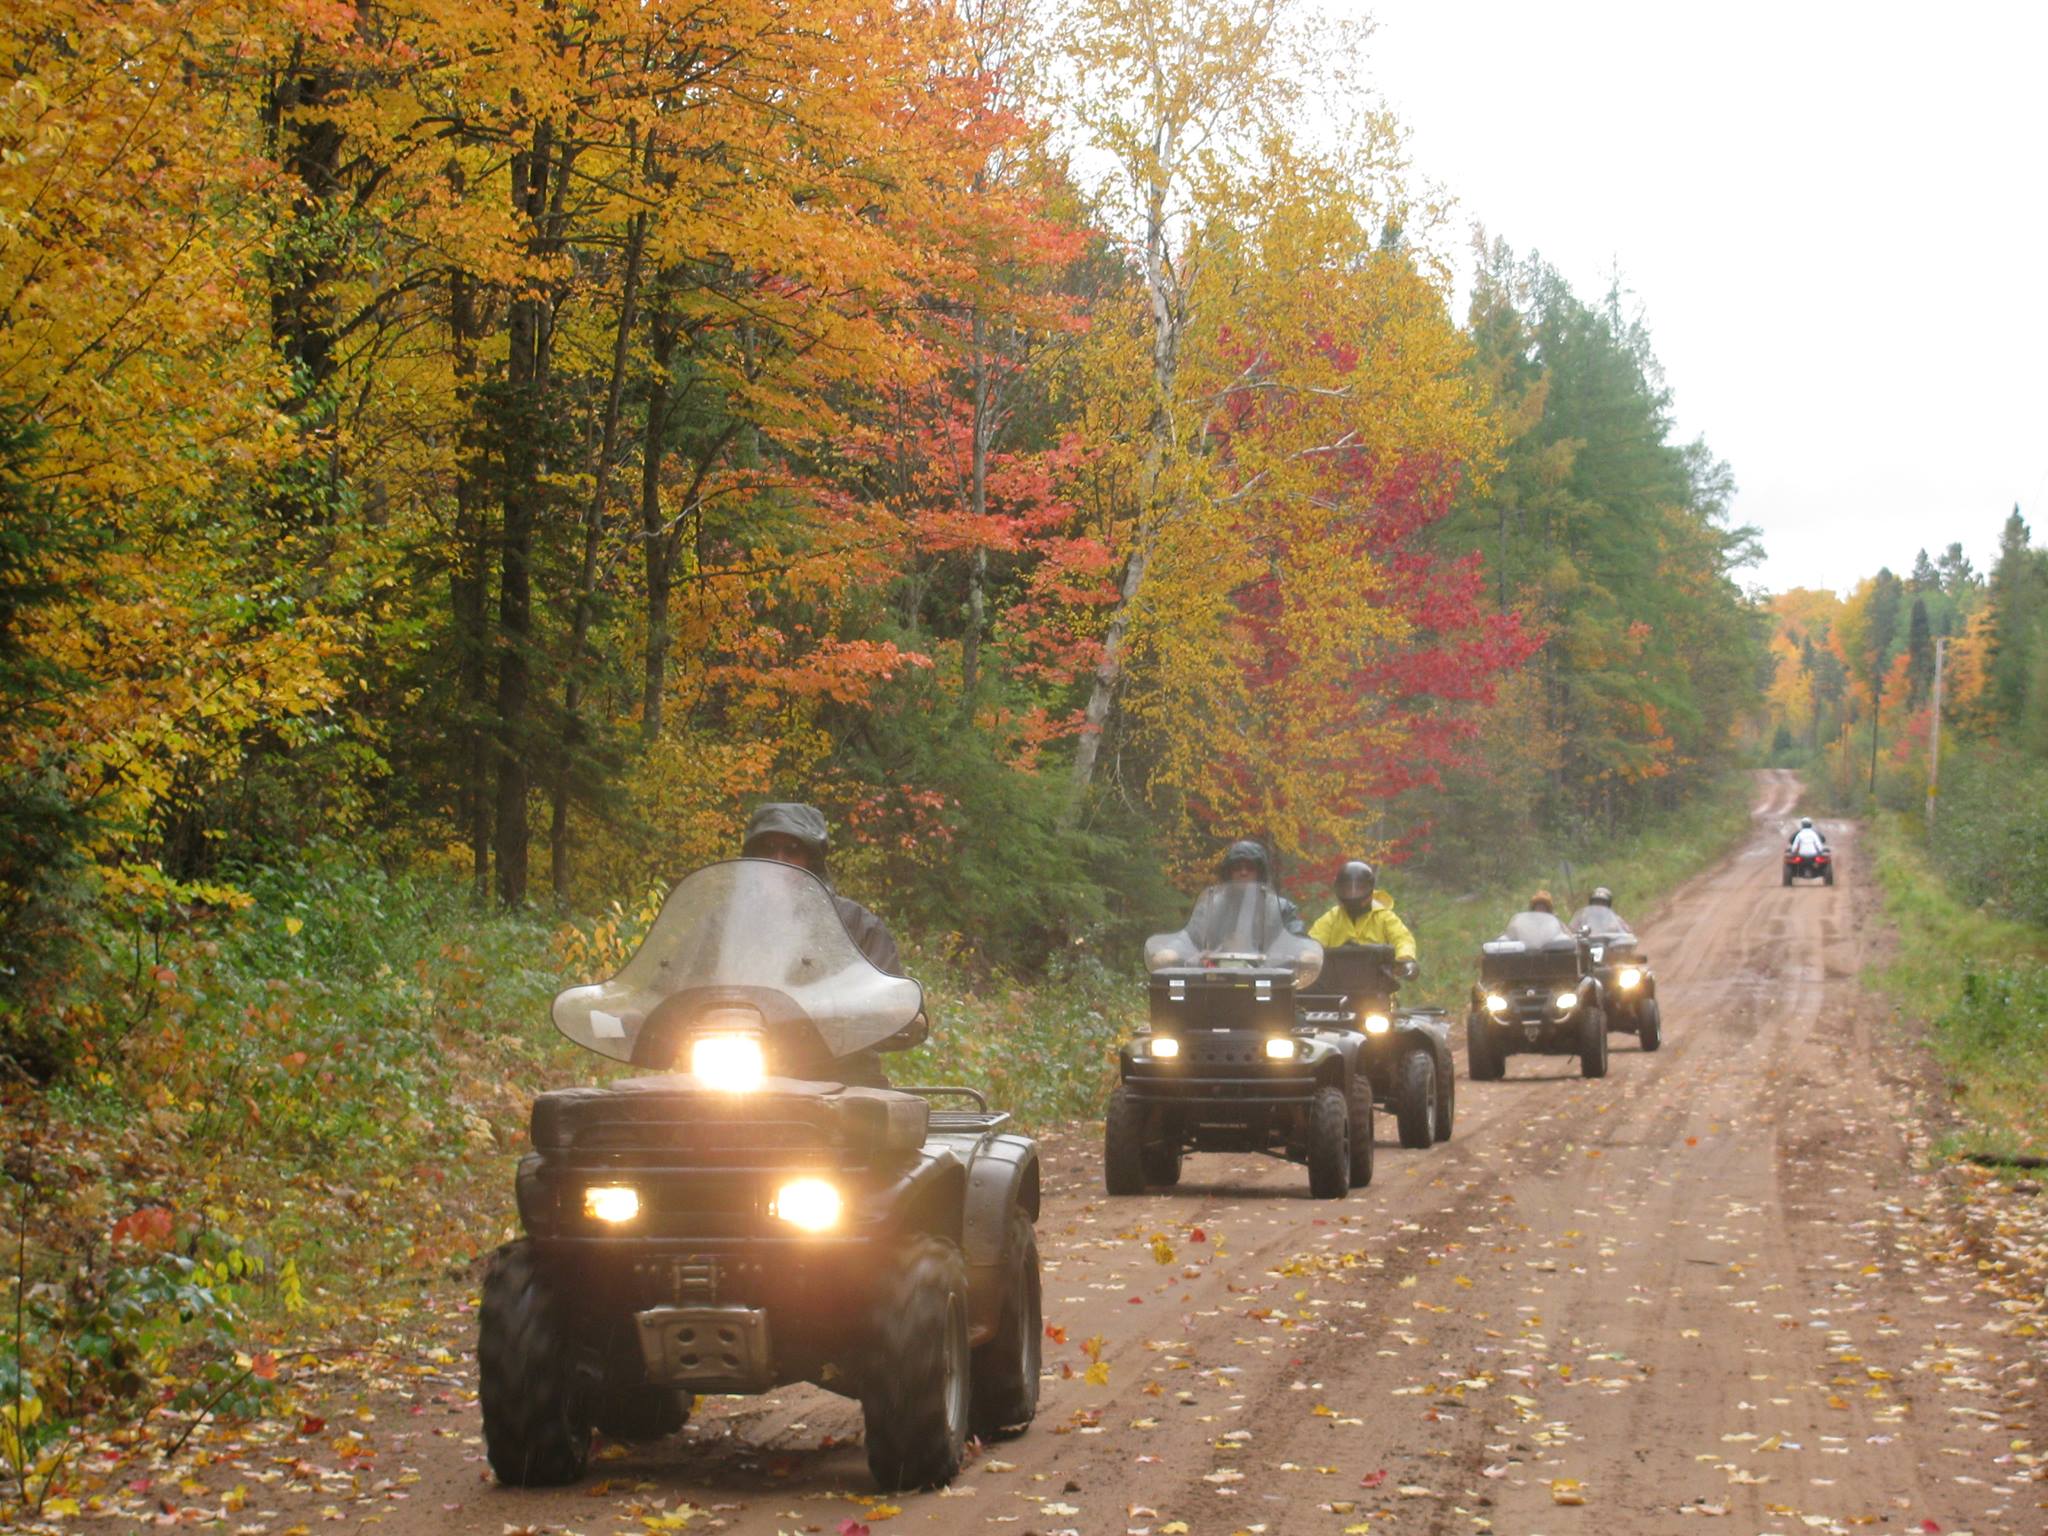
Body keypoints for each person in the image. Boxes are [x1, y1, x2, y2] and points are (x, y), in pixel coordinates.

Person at [740, 801, 909, 1085]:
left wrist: (889, 1013)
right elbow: (670, 987)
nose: (778, 859)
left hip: (841, 1075)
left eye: (792, 851)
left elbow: (895, 1006)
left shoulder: (857, 925)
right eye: (767, 849)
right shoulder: (723, 925)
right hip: (735, 1071)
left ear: (812, 860)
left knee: (870, 1120)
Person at [1308, 860, 1419, 979]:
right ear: (1338, 890)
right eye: (1347, 889)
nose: (1353, 894)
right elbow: (1313, 942)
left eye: (1359, 888)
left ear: (1370, 889)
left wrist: (1405, 960)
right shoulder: (1331, 918)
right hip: (1337, 985)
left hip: (1378, 985)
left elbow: (1402, 938)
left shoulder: (1384, 917)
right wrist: (1306, 958)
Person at [1216, 839, 1306, 935]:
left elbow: (1298, 937)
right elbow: (1197, 937)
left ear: (1260, 872)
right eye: (1237, 868)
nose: (1243, 872)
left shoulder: (1282, 908)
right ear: (1229, 873)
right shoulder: (1213, 907)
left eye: (1250, 867)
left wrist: (1304, 949)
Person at [1500, 891, 1570, 947]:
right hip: (1526, 957)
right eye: (1538, 907)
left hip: (1550, 957)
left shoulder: (1556, 922)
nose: (1540, 909)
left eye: (1543, 907)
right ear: (1533, 909)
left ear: (1548, 910)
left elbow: (1569, 937)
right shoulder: (1525, 923)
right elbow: (1510, 934)